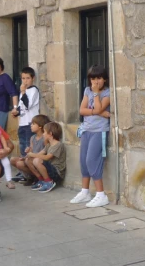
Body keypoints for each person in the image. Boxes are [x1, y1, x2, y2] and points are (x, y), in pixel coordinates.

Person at [70, 65, 111, 208]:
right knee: (83, 162)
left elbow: (99, 107)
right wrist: (103, 113)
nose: (96, 81)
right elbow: (82, 110)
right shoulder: (87, 90)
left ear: (104, 79)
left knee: (92, 160)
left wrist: (95, 96)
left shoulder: (107, 93)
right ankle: (85, 191)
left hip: (99, 131)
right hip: (86, 129)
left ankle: (101, 194)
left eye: (99, 78)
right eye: (93, 78)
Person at [10, 67, 40, 169]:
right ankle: (24, 171)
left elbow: (28, 105)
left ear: (33, 78)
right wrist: (16, 112)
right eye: (23, 78)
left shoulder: (33, 90)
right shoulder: (24, 91)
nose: (25, 81)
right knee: (22, 147)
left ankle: (30, 171)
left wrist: (23, 93)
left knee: (28, 147)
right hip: (22, 123)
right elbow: (21, 107)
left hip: (30, 124)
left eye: (28, 78)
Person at [25, 121, 66, 193]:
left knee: (37, 160)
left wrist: (33, 155)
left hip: (56, 173)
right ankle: (41, 180)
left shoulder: (58, 145)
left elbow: (47, 157)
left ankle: (49, 182)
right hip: (49, 170)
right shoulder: (48, 145)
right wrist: (29, 155)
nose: (43, 134)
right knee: (29, 160)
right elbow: (39, 154)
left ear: (50, 134)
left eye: (44, 132)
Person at [11, 114, 49, 186]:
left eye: (33, 124)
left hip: (39, 161)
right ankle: (32, 177)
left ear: (40, 126)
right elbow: (31, 150)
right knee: (13, 159)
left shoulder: (45, 138)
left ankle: (40, 178)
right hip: (31, 159)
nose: (31, 125)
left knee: (21, 163)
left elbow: (46, 151)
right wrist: (28, 150)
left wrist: (31, 156)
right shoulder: (32, 137)